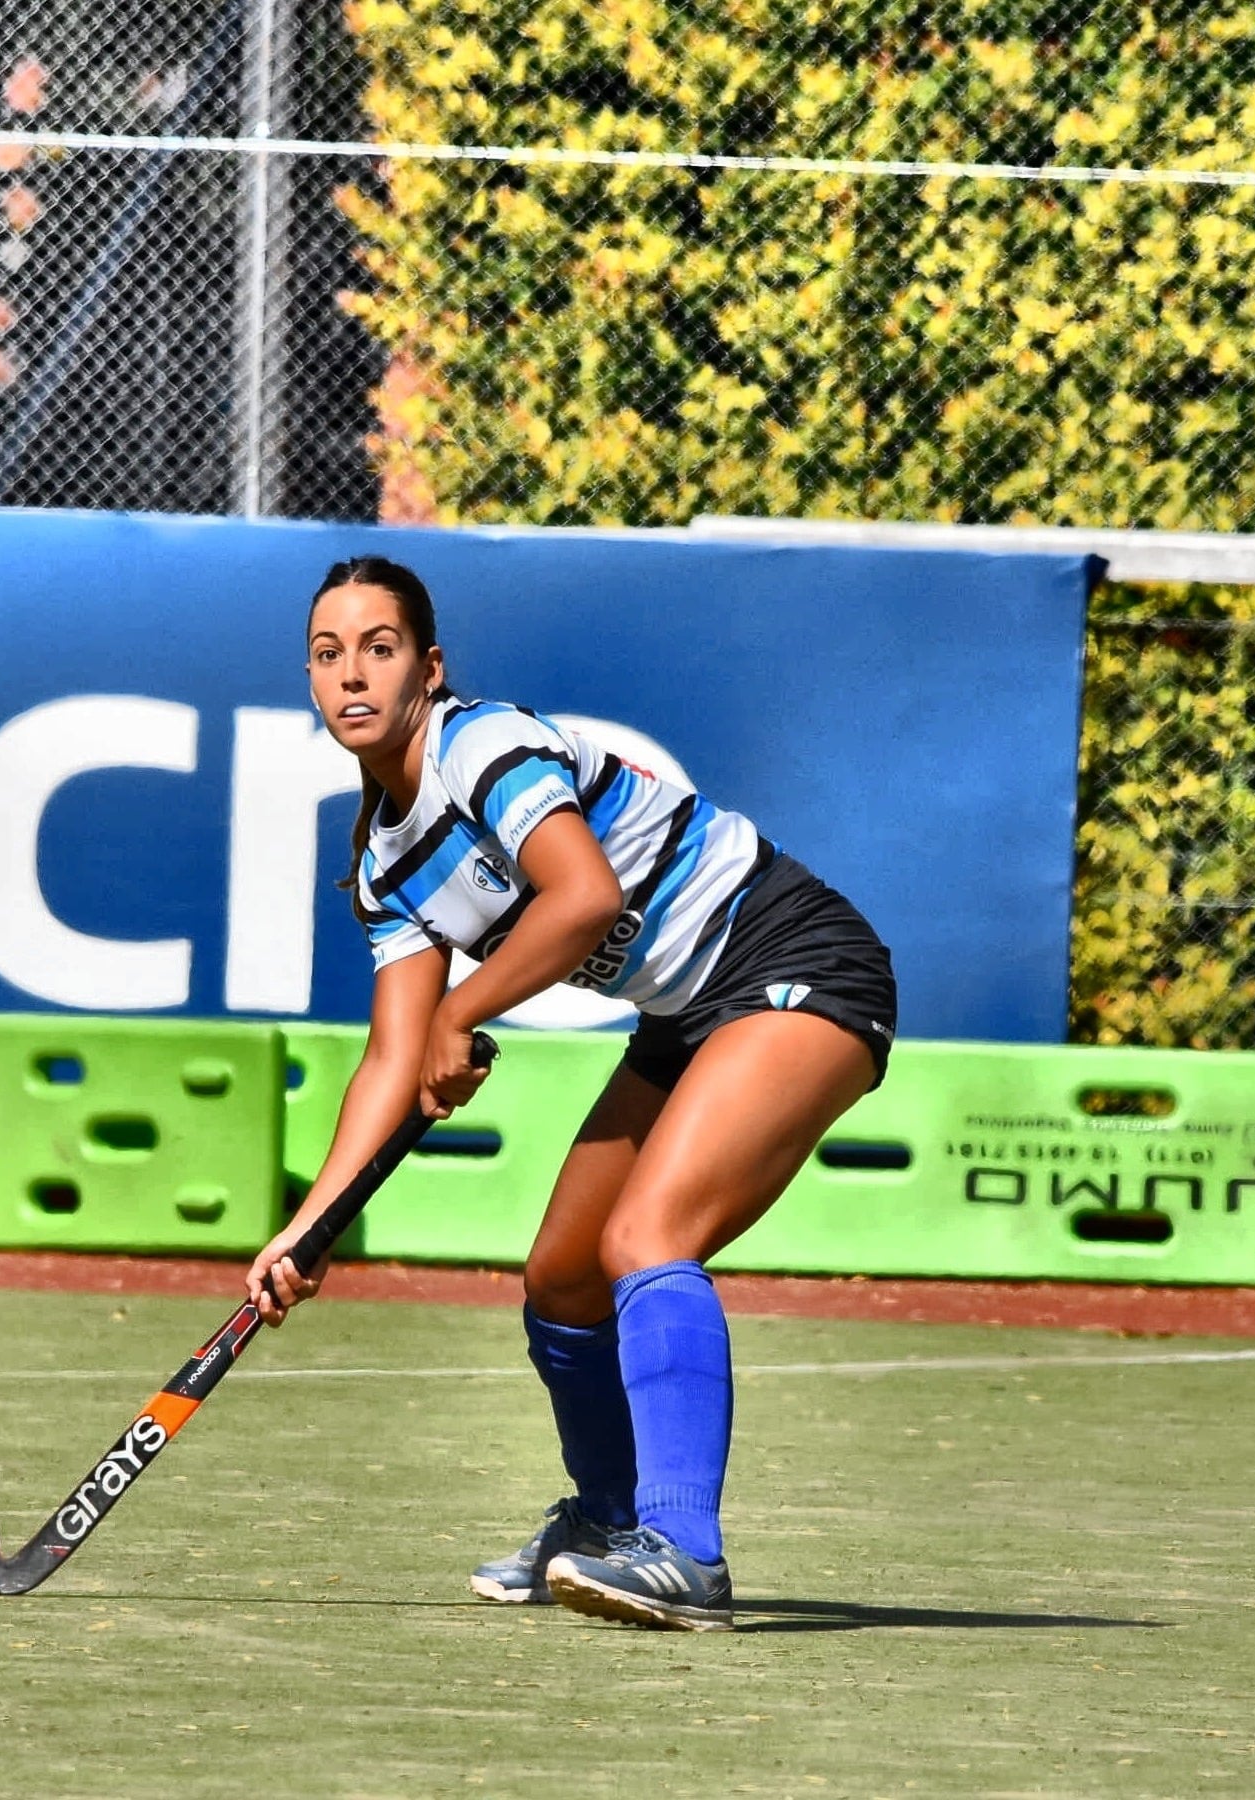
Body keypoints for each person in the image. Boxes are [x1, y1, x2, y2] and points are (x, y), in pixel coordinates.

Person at [247, 555, 897, 1632]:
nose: (352, 675)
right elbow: (390, 1062)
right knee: (561, 1280)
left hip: (795, 962)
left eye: (379, 648)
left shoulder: (482, 744)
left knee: (647, 1236)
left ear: (427, 666)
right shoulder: (385, 863)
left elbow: (584, 900)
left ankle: (686, 1552)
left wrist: (465, 1015)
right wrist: (306, 1233)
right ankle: (604, 1524)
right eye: (328, 656)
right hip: (688, 1013)